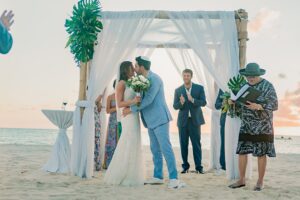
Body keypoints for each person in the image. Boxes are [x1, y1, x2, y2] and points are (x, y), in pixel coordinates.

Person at [123, 56, 186, 189]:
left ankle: (174, 178)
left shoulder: (155, 79)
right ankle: (158, 176)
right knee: (155, 149)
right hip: (150, 121)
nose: (134, 69)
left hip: (160, 119)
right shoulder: (141, 80)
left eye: (136, 66)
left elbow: (149, 99)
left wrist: (131, 109)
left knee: (166, 149)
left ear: (142, 67)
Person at [228, 63, 278, 191]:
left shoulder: (268, 86)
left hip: (263, 125)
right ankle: (241, 180)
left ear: (259, 75)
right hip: (246, 124)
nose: (250, 78)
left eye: (253, 76)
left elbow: (275, 104)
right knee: (242, 151)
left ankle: (260, 181)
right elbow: (240, 104)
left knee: (261, 153)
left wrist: (260, 106)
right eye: (248, 76)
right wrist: (232, 102)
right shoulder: (244, 86)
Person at [104, 61, 144, 186]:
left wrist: (137, 101)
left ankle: (132, 173)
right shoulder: (121, 83)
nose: (133, 69)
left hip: (134, 115)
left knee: (135, 141)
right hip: (127, 116)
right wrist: (133, 101)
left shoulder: (131, 82)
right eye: (131, 68)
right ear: (125, 70)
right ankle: (122, 173)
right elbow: (119, 104)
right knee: (127, 141)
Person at [173, 69, 207, 174]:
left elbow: (204, 102)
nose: (186, 77)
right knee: (183, 144)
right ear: (182, 76)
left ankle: (199, 167)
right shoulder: (178, 90)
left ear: (191, 76)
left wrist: (192, 100)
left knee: (196, 144)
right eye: (184, 75)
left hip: (195, 121)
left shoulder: (199, 88)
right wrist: (181, 102)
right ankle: (185, 167)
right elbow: (175, 106)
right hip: (183, 121)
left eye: (188, 75)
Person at [103, 80, 119, 169]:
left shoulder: (123, 96)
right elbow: (107, 111)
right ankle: (109, 163)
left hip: (121, 120)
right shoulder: (110, 97)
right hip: (112, 120)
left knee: (119, 140)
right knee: (111, 142)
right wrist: (117, 107)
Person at [215, 89, 226, 171]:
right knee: (224, 142)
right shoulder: (222, 89)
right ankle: (223, 165)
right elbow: (216, 105)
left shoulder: (239, 86)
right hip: (224, 120)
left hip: (236, 120)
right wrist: (223, 103)